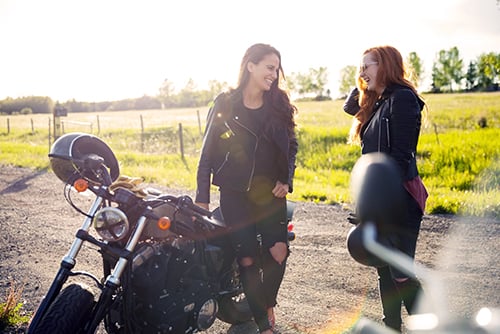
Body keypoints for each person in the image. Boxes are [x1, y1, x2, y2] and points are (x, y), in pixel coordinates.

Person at [195, 43, 298, 334]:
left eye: (277, 69)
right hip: (234, 193)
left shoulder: (279, 104)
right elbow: (207, 152)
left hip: (270, 192)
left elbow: (292, 146)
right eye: (269, 67)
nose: (274, 74)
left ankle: (266, 303)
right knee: (248, 258)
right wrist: (202, 198)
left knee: (278, 252)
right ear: (250, 65)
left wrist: (286, 179)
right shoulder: (226, 102)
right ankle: (264, 326)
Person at [344, 45, 428, 332]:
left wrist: (379, 200)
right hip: (378, 194)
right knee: (384, 269)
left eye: (368, 65)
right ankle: (392, 327)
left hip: (399, 194)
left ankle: (431, 325)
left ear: (387, 66)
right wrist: (365, 84)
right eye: (361, 66)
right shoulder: (378, 102)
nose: (362, 71)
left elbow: (401, 156)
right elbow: (348, 106)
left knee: (400, 271)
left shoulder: (403, 99)